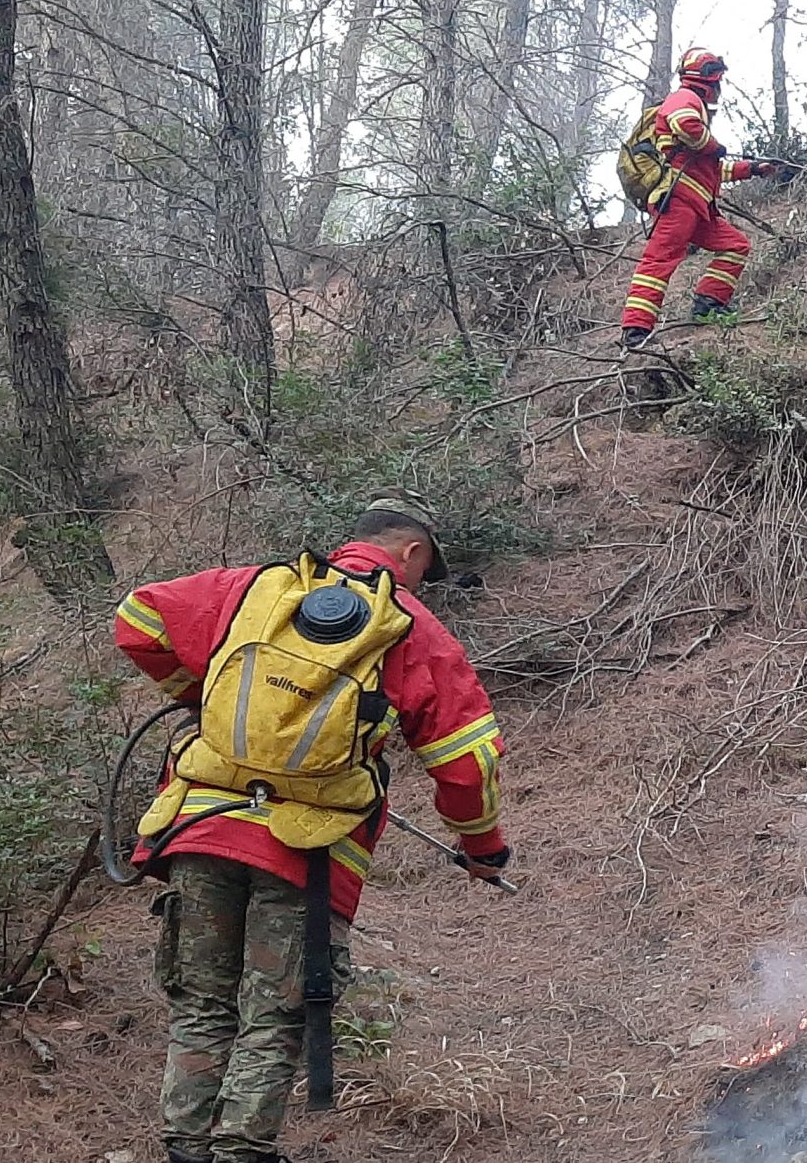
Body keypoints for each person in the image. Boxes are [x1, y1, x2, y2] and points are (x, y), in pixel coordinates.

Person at [113, 494, 511, 1163]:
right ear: (411, 553)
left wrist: (201, 693)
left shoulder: (256, 587)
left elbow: (137, 618)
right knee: (274, 1011)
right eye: (423, 568)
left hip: (201, 826)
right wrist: (484, 850)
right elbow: (466, 763)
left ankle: (185, 1146)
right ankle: (242, 1150)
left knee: (202, 1002)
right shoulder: (411, 626)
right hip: (306, 852)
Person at [621, 49, 785, 348]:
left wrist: (753, 169)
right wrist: (712, 144)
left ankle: (708, 305)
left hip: (697, 207)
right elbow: (687, 127)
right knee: (659, 260)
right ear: (709, 78)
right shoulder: (686, 98)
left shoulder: (695, 111)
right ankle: (636, 329)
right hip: (679, 202)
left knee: (736, 246)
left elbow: (711, 171)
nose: (720, 88)